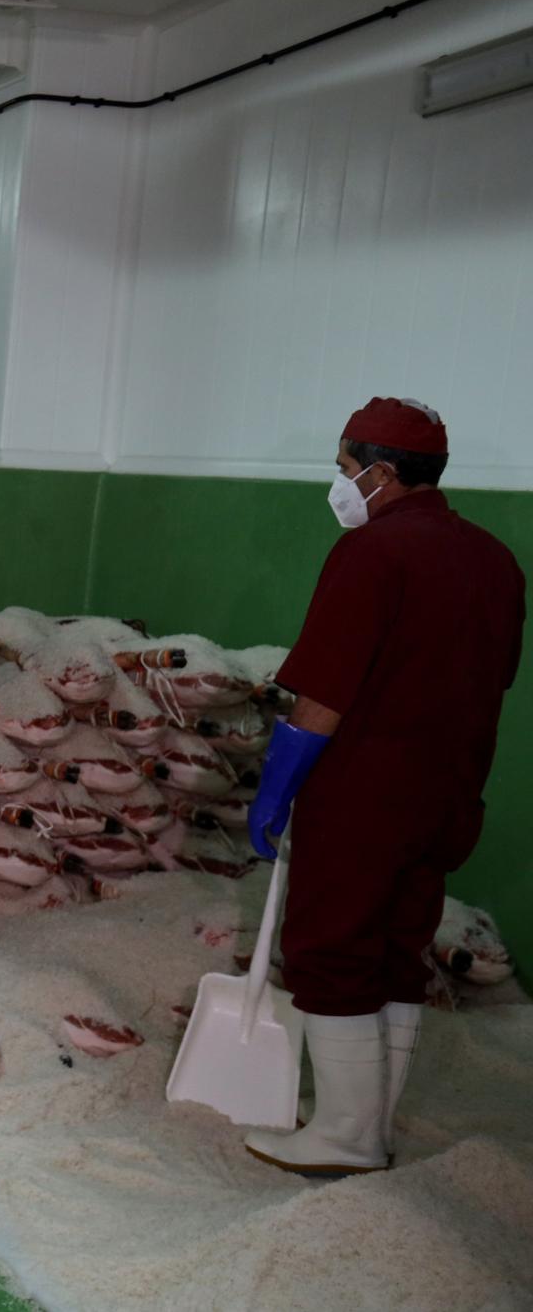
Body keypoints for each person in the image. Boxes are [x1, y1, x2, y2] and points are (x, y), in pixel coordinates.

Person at [242, 397, 523, 1177]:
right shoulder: (495, 560)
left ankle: (345, 1137)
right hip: (449, 799)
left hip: (365, 796)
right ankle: (369, 1122)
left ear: (382, 473)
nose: (338, 485)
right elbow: (489, 681)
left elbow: (323, 695)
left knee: (330, 950)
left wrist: (276, 789)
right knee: (399, 951)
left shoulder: (372, 554)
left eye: (343, 469)